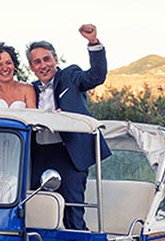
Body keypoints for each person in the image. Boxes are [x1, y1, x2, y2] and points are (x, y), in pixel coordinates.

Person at [26, 24, 112, 230]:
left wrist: (93, 42)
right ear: (32, 67)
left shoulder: (70, 76)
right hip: (38, 155)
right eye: (37, 62)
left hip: (69, 153)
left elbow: (96, 76)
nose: (43, 65)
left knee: (73, 211)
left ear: (56, 59)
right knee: (37, 208)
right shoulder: (28, 90)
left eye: (47, 59)